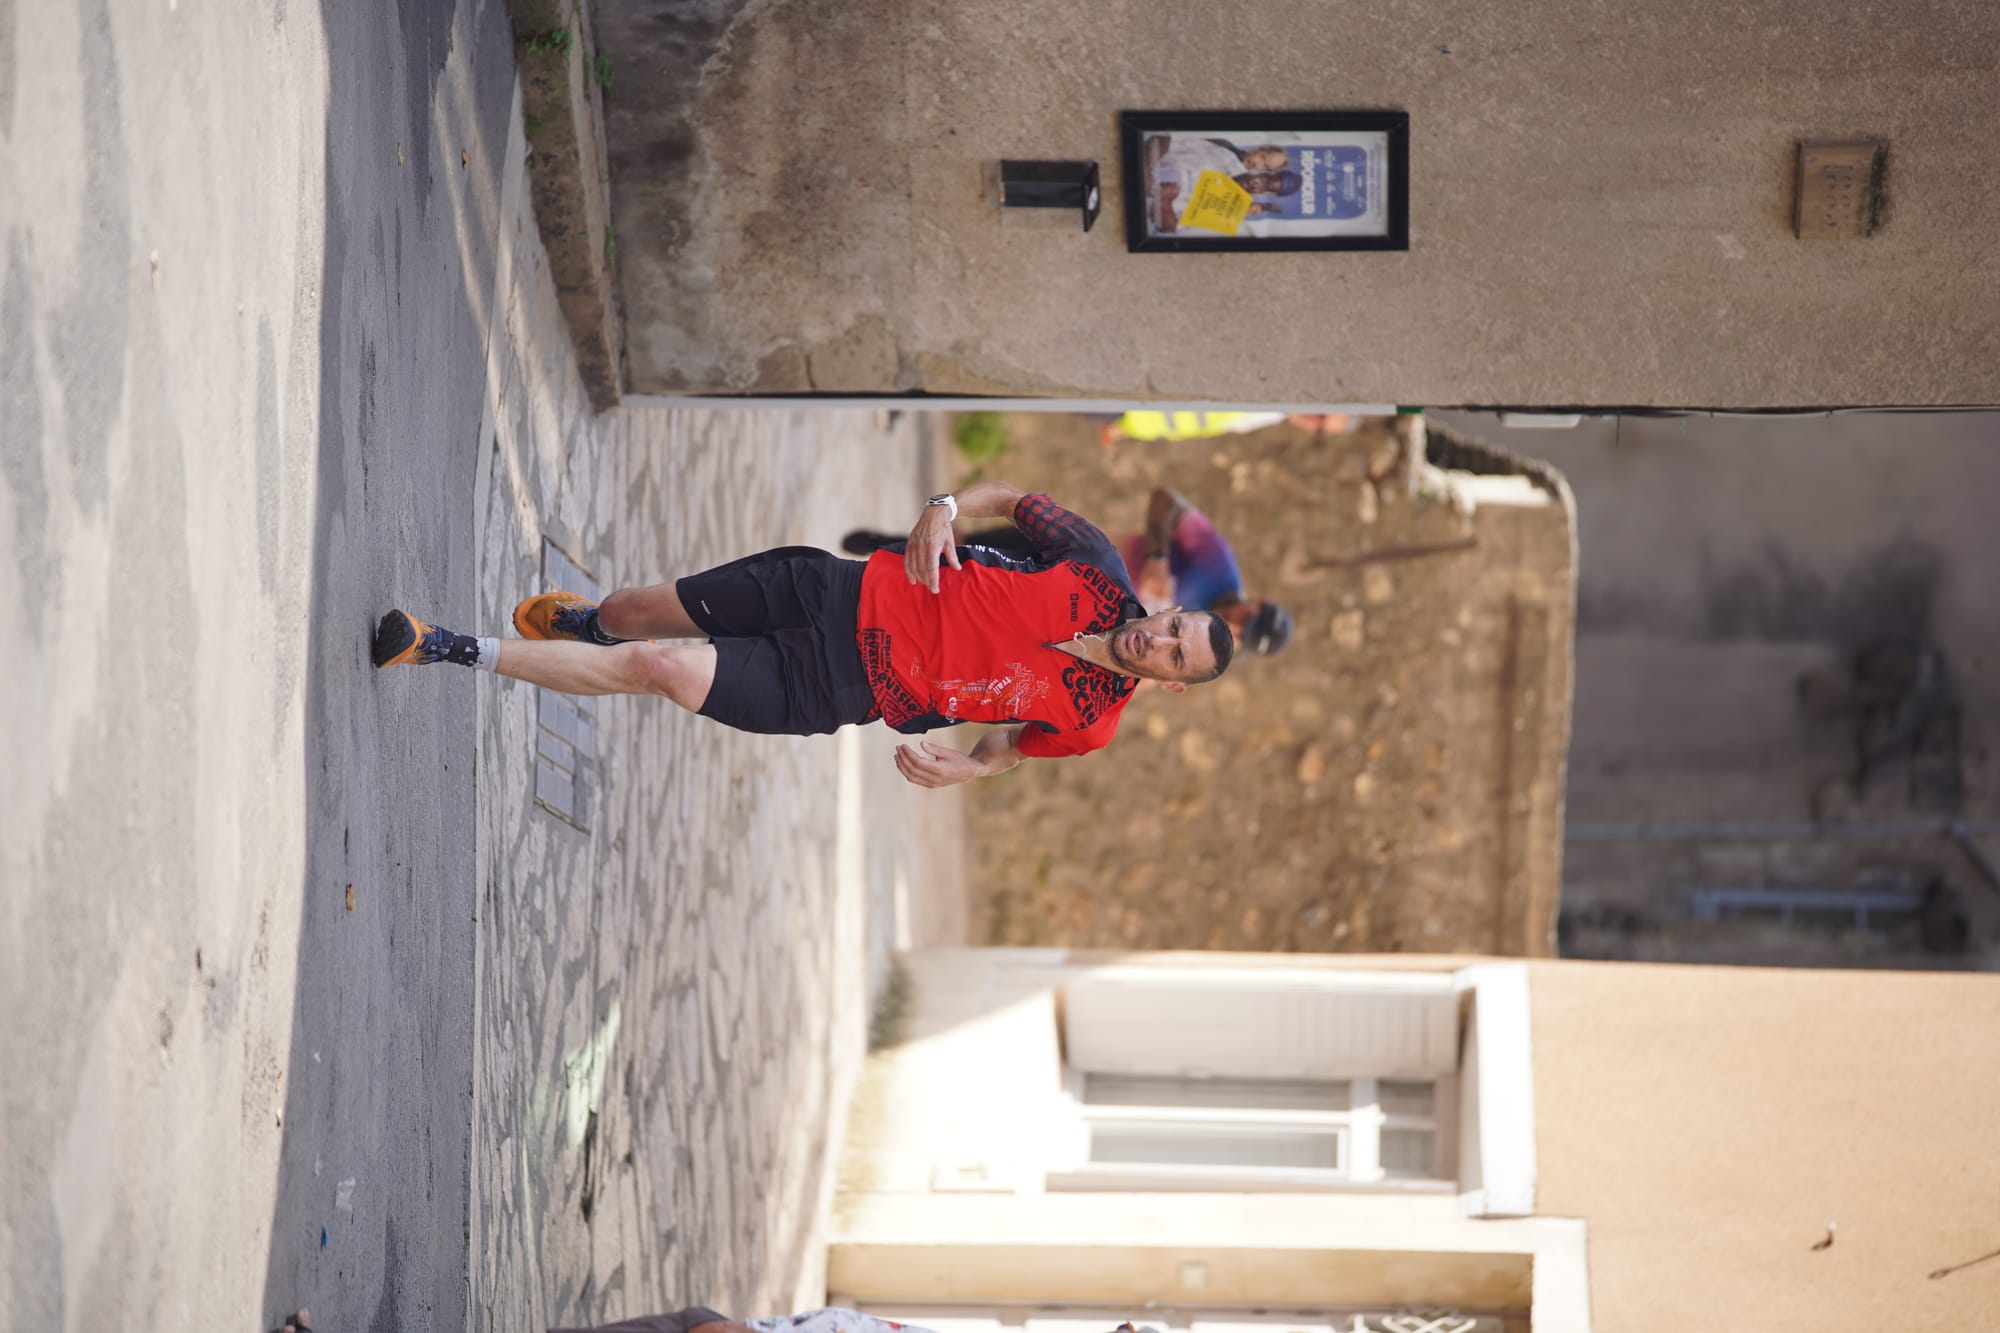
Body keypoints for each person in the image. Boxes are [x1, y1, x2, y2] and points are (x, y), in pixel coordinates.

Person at [373, 482, 1233, 788]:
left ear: (1169, 684)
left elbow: (1017, 744)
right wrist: (942, 506)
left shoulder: (1093, 724)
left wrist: (972, 767)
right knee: (634, 616)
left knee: (660, 667)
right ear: (1168, 609)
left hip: (838, 689)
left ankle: (447, 646)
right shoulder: (1089, 565)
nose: (1158, 642)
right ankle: (590, 620)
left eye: (1174, 658)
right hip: (832, 587)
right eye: (1174, 628)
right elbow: (1011, 500)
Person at [843, 487, 1292, 659]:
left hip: (1060, 616)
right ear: (1259, 602)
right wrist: (1156, 556)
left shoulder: (1198, 649)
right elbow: (1167, 500)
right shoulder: (1217, 563)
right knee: (962, 558)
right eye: (1246, 619)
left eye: (1242, 635)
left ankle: (883, 583)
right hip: (1067, 555)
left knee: (957, 593)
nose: (1234, 625)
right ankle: (883, 555)